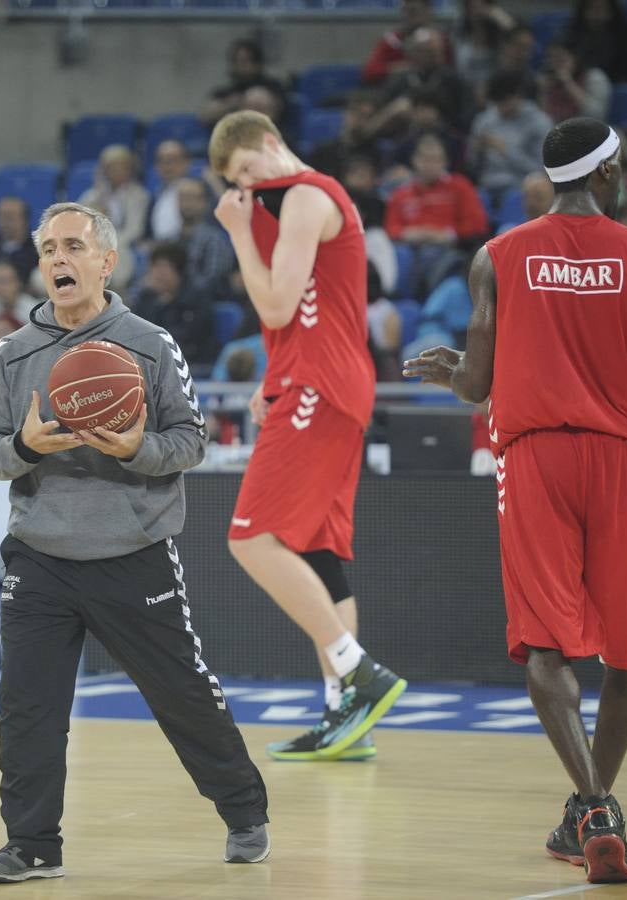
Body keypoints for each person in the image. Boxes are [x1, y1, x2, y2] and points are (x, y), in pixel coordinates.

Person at [403, 117, 627, 884]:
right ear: (605, 175)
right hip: (615, 456)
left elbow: (478, 383)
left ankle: (591, 809)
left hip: (532, 456)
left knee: (544, 643)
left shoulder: (496, 256)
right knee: (625, 649)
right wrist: (617, 382)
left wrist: (449, 372)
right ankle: (593, 809)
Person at [0, 202, 270, 882]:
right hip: (39, 555)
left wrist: (138, 449)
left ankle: (244, 810)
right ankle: (32, 843)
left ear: (106, 261)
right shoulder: (13, 354)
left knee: (181, 694)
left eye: (73, 246)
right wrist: (23, 445)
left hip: (132, 553)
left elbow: (190, 441)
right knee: (28, 706)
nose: (57, 259)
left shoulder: (150, 344)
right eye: (48, 249)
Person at [209, 110, 407, 762]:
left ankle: (358, 671)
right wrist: (274, 380)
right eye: (235, 183)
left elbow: (275, 305)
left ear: (270, 143)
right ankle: (345, 717)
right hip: (320, 381)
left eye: (245, 170)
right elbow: (308, 315)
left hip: (322, 385)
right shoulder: (296, 201)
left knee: (249, 538)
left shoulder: (305, 195)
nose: (245, 188)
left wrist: (238, 233)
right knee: (317, 550)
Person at [385, 132, 489, 299]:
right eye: (425, 159)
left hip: (447, 246)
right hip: (410, 244)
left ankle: (422, 301)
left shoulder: (459, 186)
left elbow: (477, 225)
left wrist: (447, 234)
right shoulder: (401, 193)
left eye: (436, 160)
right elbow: (390, 228)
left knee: (430, 253)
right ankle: (399, 300)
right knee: (401, 253)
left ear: (445, 162)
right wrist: (408, 233)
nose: (430, 165)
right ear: (415, 161)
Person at [468, 70, 555, 200]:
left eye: (504, 102)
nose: (499, 109)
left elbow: (541, 170)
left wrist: (505, 151)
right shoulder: (484, 120)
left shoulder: (539, 122)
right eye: (496, 103)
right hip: (486, 186)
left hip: (521, 187)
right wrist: (476, 150)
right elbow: (472, 165)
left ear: (518, 96)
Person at [130, 241, 217, 365]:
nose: (158, 273)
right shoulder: (146, 297)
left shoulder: (196, 298)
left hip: (190, 362)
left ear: (179, 271)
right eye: (154, 267)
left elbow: (191, 336)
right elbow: (134, 330)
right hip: (151, 361)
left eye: (164, 267)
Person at [79, 145, 150, 290]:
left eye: (121, 167)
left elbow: (134, 230)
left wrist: (108, 242)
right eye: (111, 167)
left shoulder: (139, 195)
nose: (116, 172)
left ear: (130, 169)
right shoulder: (92, 196)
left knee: (115, 267)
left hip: (120, 244)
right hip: (91, 244)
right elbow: (78, 224)